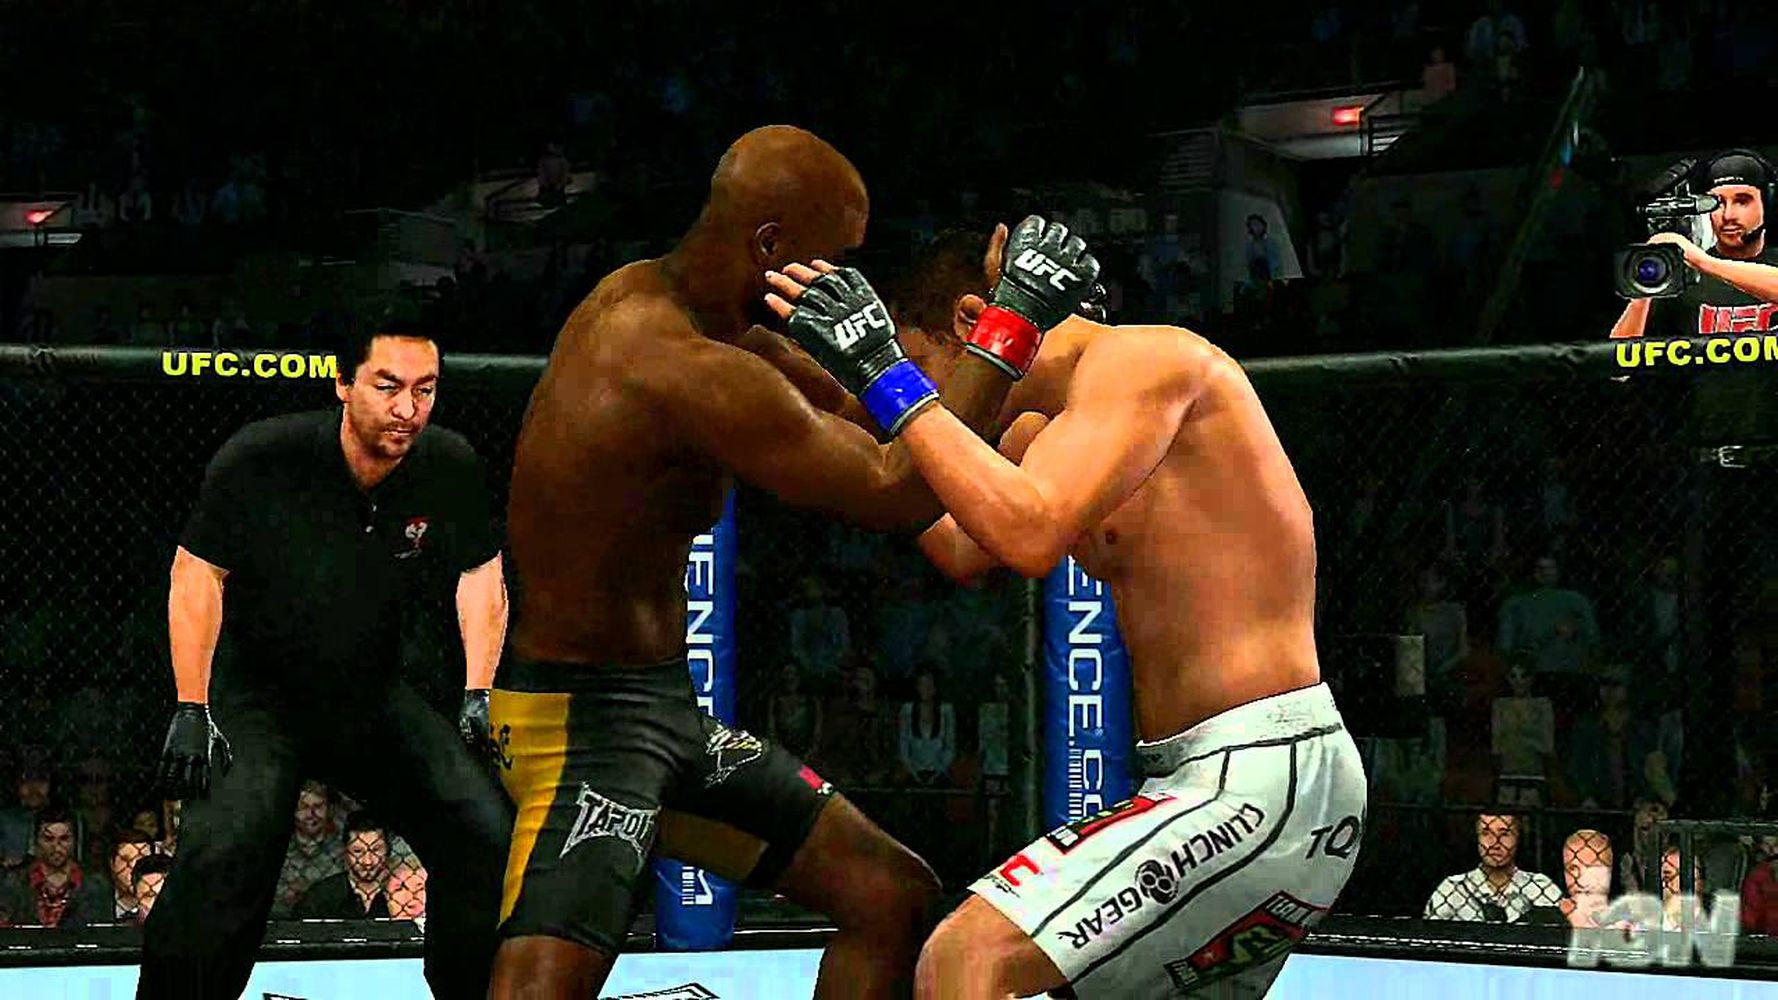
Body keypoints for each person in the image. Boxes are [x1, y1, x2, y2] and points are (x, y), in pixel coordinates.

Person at [492, 124, 1096, 1000]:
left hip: (660, 711)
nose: (849, 282)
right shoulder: (670, 359)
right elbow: (895, 486)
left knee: (889, 894)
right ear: (771, 243)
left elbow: (883, 419)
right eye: (837, 256)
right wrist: (1011, 326)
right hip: (579, 728)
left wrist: (1009, 332)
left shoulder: (715, 322)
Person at [766, 230, 1366, 998]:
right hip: (1205, 779)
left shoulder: (1148, 360)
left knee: (966, 959)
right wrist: (811, 391)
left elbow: (1029, 533)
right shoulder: (1048, 426)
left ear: (972, 321)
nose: (942, 399)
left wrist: (886, 375)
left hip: (1260, 773)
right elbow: (961, 544)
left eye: (923, 366)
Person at [137, 316, 515, 1000]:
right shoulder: (264, 457)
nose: (408, 409)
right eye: (388, 387)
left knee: (481, 827)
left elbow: (481, 573)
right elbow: (197, 572)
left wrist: (478, 692)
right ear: (343, 384)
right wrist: (192, 704)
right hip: (258, 696)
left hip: (368, 694)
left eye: (425, 390)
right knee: (226, 845)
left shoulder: (447, 463)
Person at [1613, 150, 1778, 339]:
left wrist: (1702, 261)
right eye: (1717, 203)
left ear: (1767, 203)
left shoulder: (1699, 262)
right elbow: (1618, 350)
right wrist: (1645, 284)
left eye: (1742, 202)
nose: (1728, 215)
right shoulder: (1679, 274)